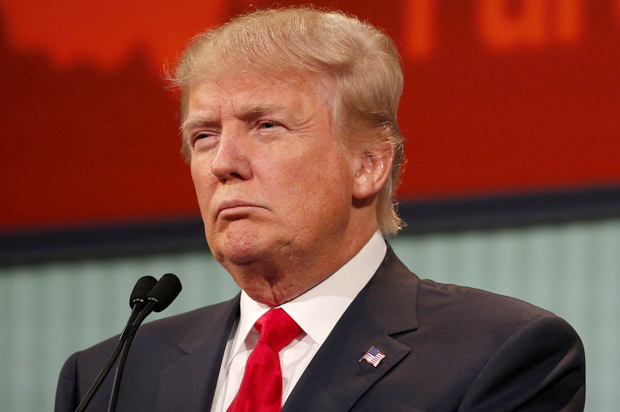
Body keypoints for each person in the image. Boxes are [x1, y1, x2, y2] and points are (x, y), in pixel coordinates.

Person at [55, 7, 585, 412]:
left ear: (368, 166)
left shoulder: (499, 353)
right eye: (204, 135)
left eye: (266, 126)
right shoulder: (109, 376)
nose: (224, 163)